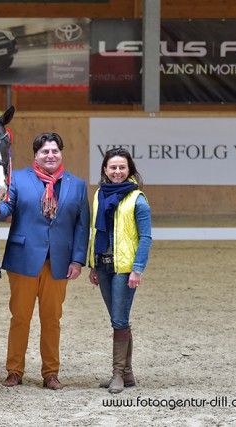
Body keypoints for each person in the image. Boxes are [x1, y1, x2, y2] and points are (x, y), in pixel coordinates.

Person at [0, 132, 90, 390]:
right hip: (23, 259)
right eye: (45, 152)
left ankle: (51, 373)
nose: (50, 155)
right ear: (36, 156)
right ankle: (14, 370)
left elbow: (82, 225)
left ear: (61, 154)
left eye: (54, 151)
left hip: (59, 263)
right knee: (20, 317)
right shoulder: (18, 178)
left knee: (52, 319)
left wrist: (77, 260)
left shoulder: (77, 185)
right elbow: (10, 205)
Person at [87, 147, 152, 394]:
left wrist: (137, 269)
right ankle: (128, 374)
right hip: (103, 266)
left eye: (122, 167)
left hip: (124, 268)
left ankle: (117, 374)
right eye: (112, 167)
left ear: (130, 170)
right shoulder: (99, 195)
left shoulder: (138, 199)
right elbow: (96, 231)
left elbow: (145, 237)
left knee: (119, 320)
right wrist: (93, 264)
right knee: (119, 319)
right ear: (105, 170)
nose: (117, 172)